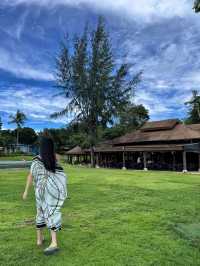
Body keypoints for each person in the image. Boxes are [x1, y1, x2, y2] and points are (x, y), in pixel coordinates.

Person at [22, 136, 67, 255]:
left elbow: (30, 175)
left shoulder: (36, 160)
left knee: (40, 212)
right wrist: (60, 192)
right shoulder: (55, 158)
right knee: (52, 213)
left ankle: (39, 240)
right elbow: (60, 176)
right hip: (50, 193)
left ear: (41, 147)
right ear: (51, 147)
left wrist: (26, 191)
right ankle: (54, 242)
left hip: (39, 192)